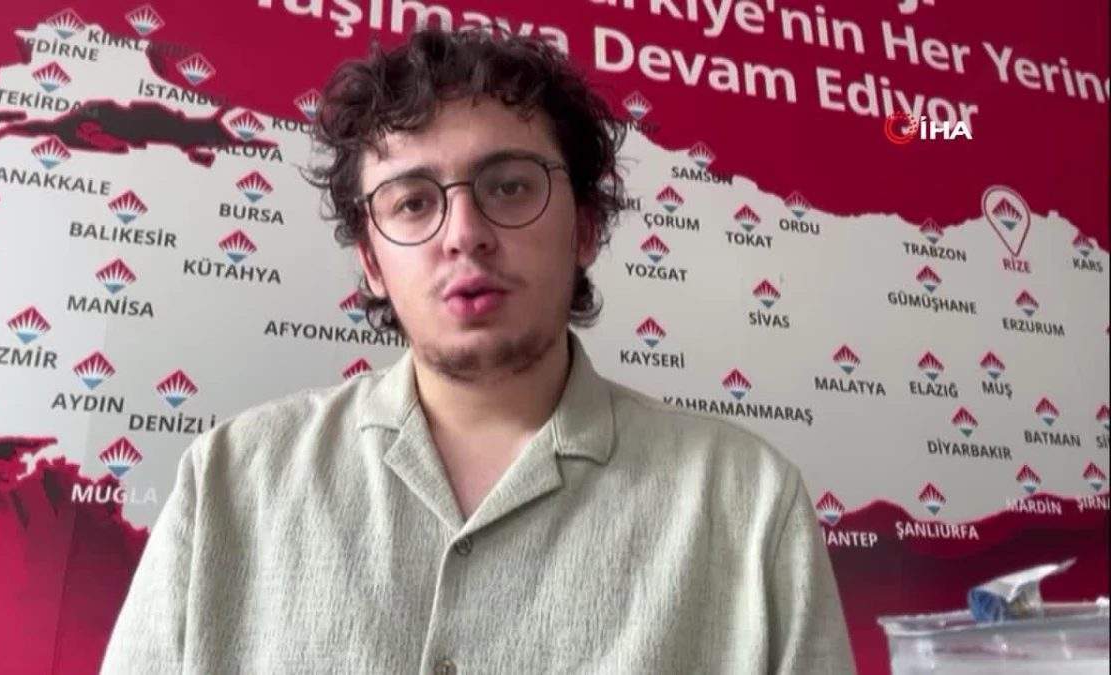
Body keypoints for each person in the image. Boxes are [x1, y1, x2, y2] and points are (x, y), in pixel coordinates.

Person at [102, 27, 856, 674]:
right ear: (371, 262)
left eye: (510, 187)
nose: (464, 233)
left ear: (585, 228)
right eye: (413, 201)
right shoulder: (229, 483)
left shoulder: (750, 504)